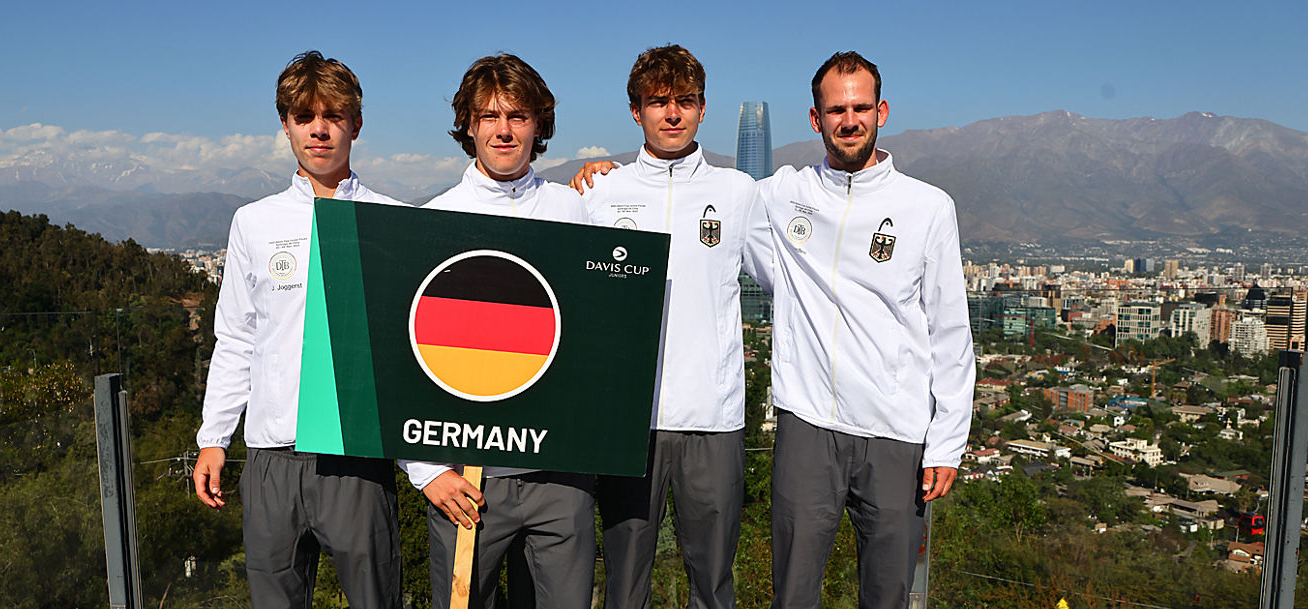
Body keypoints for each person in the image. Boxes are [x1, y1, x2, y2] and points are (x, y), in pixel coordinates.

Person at [754, 51, 975, 609]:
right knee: (793, 595)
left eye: (860, 107)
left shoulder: (927, 207)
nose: (848, 120)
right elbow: (708, 203)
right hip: (807, 428)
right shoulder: (782, 193)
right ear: (815, 118)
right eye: (835, 109)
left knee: (887, 594)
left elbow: (950, 331)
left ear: (882, 111)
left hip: (895, 435)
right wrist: (609, 175)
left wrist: (947, 442)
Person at [193, 50, 404, 609]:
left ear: (356, 123)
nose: (319, 129)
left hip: (357, 457)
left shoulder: (392, 220)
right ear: (285, 124)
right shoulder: (253, 222)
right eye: (304, 116)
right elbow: (235, 337)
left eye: (333, 115)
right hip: (270, 457)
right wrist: (213, 439)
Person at [574, 44, 771, 609]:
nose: (672, 114)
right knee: (624, 583)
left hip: (713, 420)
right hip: (626, 423)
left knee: (712, 584)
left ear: (703, 108)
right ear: (636, 111)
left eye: (684, 101)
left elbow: (789, 278)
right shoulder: (599, 192)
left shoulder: (737, 193)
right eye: (658, 102)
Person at [400, 53, 593, 609]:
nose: (504, 130)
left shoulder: (575, 213)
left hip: (562, 473)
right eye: (488, 116)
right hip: (466, 477)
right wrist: (426, 471)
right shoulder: (433, 221)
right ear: (468, 125)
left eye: (518, 115)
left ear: (540, 125)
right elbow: (405, 359)